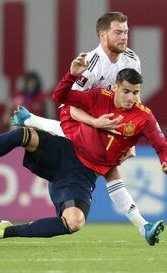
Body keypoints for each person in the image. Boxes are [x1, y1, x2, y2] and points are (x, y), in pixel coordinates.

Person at [0, 53, 167, 245]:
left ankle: (4, 232)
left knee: (73, 223)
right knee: (22, 135)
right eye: (126, 91)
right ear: (115, 87)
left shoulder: (143, 117)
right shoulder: (98, 97)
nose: (131, 98)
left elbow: (162, 145)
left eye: (136, 93)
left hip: (82, 175)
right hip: (65, 151)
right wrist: (71, 75)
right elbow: (60, 96)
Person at [11, 12, 153, 242]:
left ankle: (30, 119)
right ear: (103, 35)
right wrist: (94, 122)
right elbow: (69, 104)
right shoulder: (93, 64)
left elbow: (135, 98)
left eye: (126, 32)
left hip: (107, 123)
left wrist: (132, 137)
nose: (124, 36)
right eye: (118, 32)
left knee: (111, 170)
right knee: (111, 170)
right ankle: (143, 226)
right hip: (84, 117)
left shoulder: (131, 59)